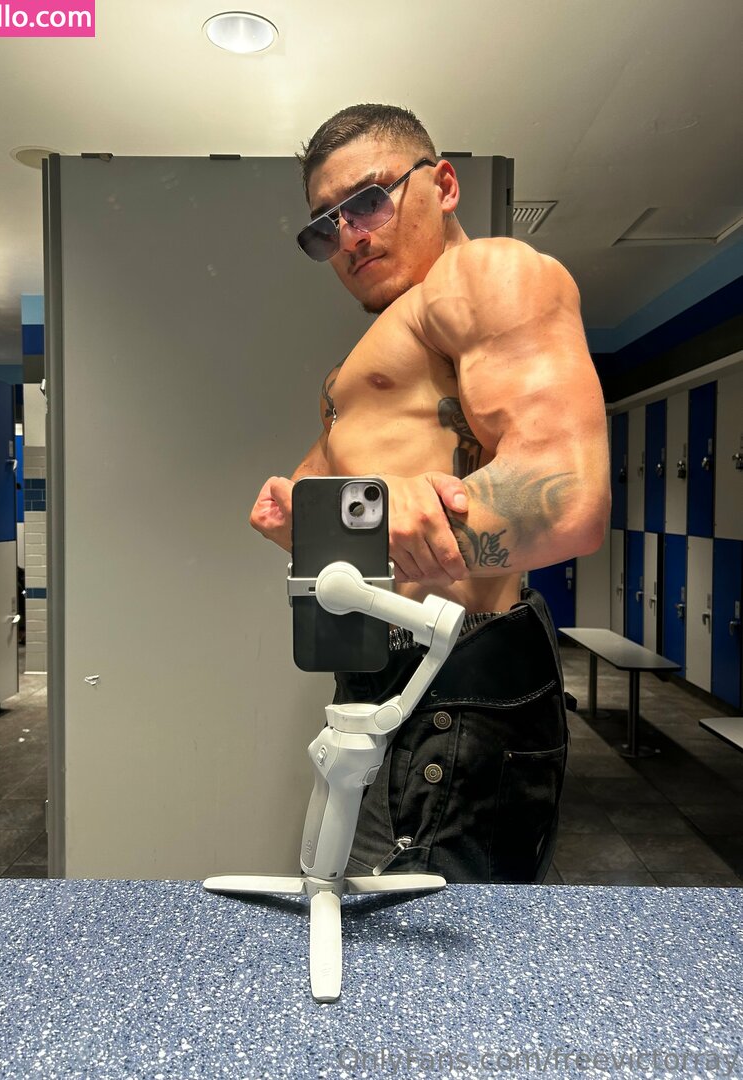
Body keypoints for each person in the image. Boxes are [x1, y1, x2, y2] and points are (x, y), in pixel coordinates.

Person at [250, 104, 610, 884]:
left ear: (443, 185)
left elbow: (569, 495)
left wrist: (407, 520)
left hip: (457, 678)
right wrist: (300, 514)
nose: (349, 237)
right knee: (363, 917)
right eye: (325, 227)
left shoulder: (487, 276)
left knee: (431, 939)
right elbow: (351, 503)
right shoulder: (377, 351)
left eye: (367, 201)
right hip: (384, 676)